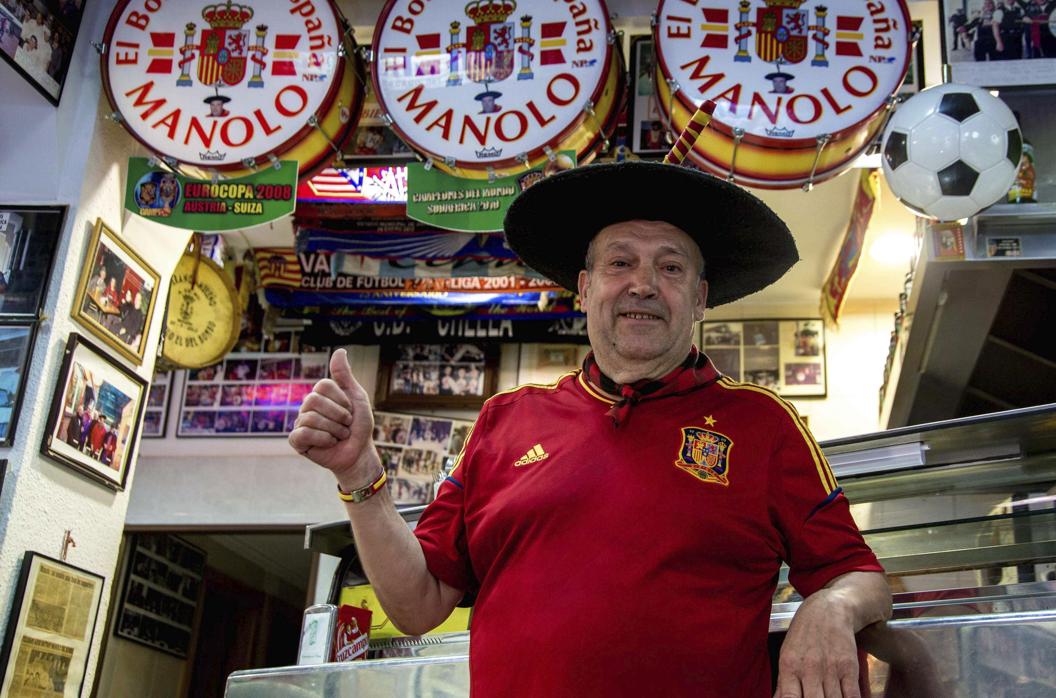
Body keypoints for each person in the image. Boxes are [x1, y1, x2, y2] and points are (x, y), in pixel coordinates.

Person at [291, 160, 891, 697]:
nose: (643, 283)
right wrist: (360, 474)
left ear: (701, 297)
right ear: (584, 288)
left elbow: (861, 576)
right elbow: (418, 604)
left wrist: (832, 607)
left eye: (672, 267)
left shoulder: (762, 424)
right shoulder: (504, 420)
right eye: (620, 262)